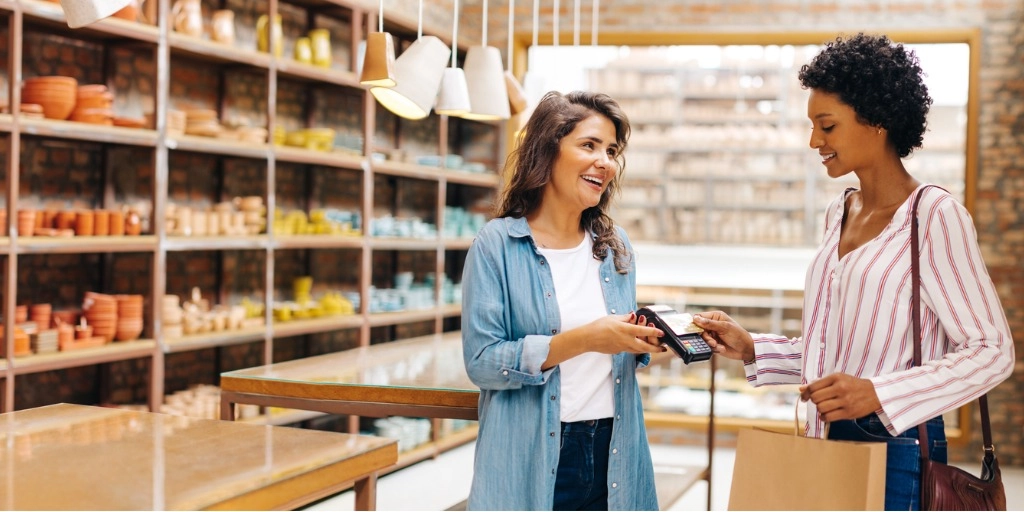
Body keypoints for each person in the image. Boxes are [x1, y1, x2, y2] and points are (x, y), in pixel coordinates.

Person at [692, 33, 1015, 511]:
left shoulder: (933, 217)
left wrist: (877, 393)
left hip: (897, 448)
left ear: (877, 122)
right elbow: (837, 347)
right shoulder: (838, 212)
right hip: (822, 433)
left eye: (827, 126)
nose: (813, 141)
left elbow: (993, 351)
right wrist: (754, 347)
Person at [461, 90, 666, 511]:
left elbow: (616, 351)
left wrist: (651, 340)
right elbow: (482, 361)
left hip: (616, 444)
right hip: (538, 449)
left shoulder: (614, 246)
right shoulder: (496, 245)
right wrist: (588, 338)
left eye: (611, 151)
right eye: (589, 145)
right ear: (547, 152)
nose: (605, 161)